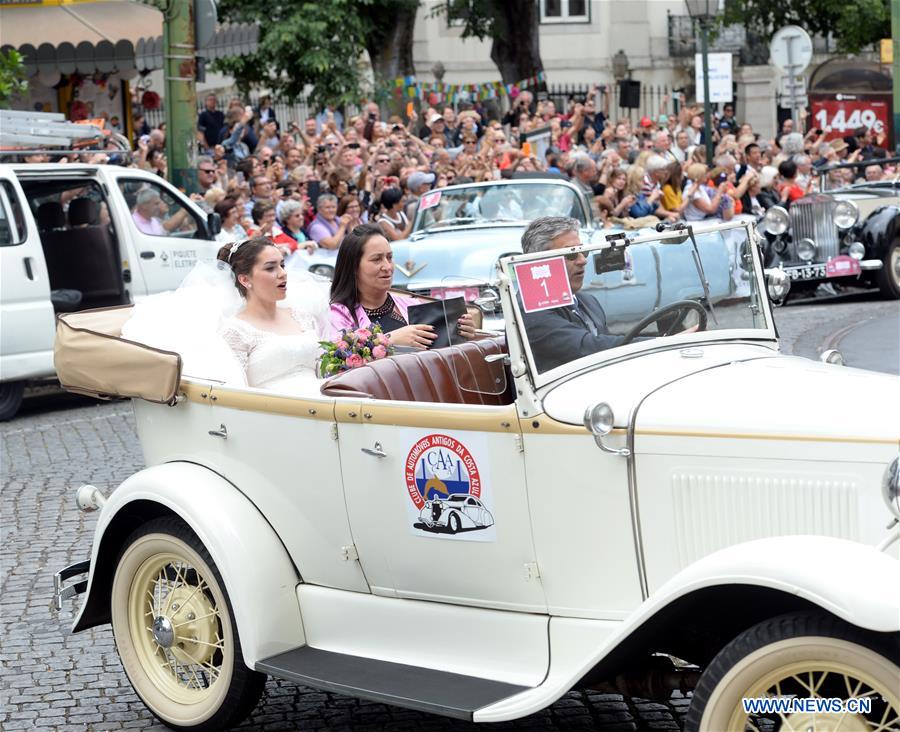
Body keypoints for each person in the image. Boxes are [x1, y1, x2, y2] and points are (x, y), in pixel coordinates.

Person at [519, 217, 697, 372]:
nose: (583, 260)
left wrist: (667, 339)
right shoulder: (531, 308)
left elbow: (608, 343)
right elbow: (587, 346)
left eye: (583, 251)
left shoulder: (588, 302)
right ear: (539, 263)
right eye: (571, 255)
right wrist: (662, 345)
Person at [329, 223, 475, 346]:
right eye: (376, 259)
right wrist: (389, 340)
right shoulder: (340, 314)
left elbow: (440, 353)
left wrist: (462, 332)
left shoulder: (412, 305)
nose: (387, 266)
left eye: (389, 257)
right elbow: (336, 362)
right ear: (354, 266)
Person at [218, 238, 324, 392]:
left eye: (282, 265)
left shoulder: (302, 317)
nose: (283, 274)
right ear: (245, 279)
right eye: (270, 268)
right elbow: (234, 393)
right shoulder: (235, 331)